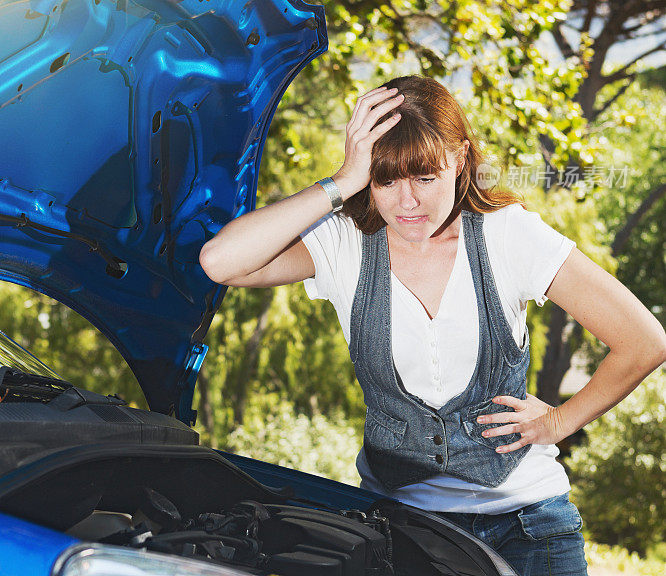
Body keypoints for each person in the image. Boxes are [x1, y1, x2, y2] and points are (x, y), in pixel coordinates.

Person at [199, 75, 666, 576]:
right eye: (387, 180)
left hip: (529, 531)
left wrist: (559, 422)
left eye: (424, 177)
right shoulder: (346, 244)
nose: (407, 203)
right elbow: (221, 261)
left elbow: (644, 340)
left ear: (461, 160)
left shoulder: (509, 235)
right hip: (402, 535)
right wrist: (341, 182)